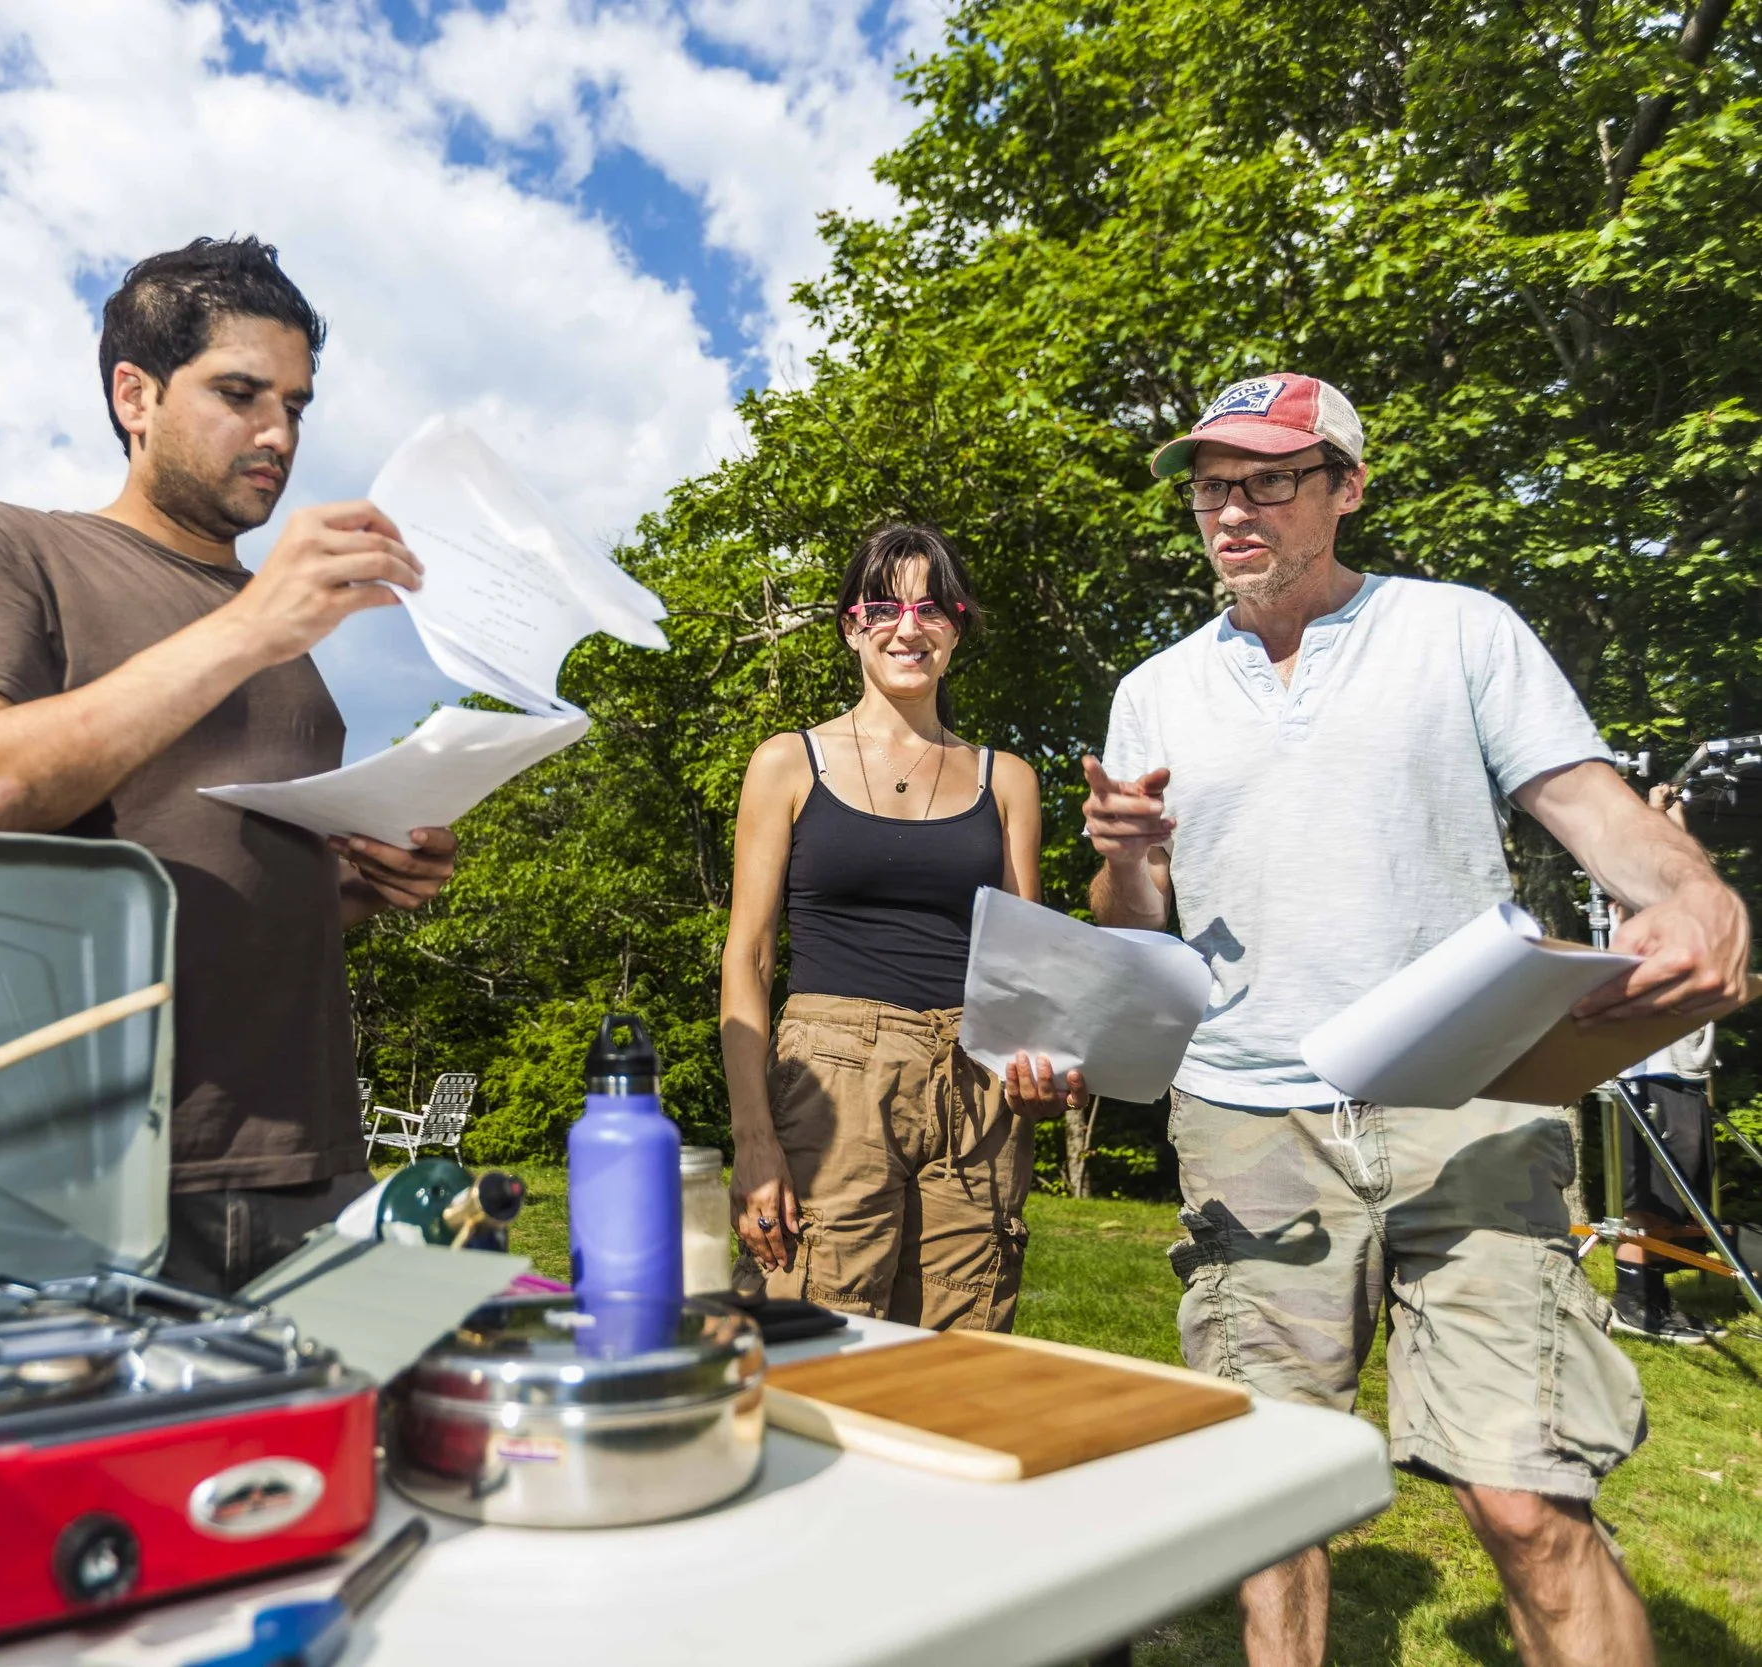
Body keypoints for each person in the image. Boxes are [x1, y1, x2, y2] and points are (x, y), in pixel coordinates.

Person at [1082, 372, 1749, 1667]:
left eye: (1269, 477)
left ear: (1347, 485)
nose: (1231, 508)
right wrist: (1123, 851)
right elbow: (1135, 927)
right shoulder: (1154, 689)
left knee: (1526, 1492)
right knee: (1274, 1503)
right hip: (1249, 1121)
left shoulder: (1458, 633)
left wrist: (1697, 890)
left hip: (1472, 1098)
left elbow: (1600, 811)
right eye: (1213, 483)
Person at [0, 236, 458, 1294]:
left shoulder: (277, 623)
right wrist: (247, 631)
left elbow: (217, 873)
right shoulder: (11, 546)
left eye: (296, 404)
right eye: (240, 392)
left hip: (308, 1160)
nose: (277, 433)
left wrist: (358, 885)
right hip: (91, 1174)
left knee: (322, 1460)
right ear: (133, 394)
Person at [722, 524, 1087, 1330]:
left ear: (958, 627)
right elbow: (747, 958)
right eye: (884, 605)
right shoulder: (787, 762)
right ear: (852, 623)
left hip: (976, 1089)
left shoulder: (1009, 781)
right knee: (811, 1340)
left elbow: (1024, 970)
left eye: (933, 606)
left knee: (961, 1357)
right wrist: (754, 1138)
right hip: (832, 1080)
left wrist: (1042, 1079)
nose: (908, 626)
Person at [1610, 782, 1725, 1345]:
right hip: (1648, 1070)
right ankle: (1635, 1304)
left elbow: (1681, 871)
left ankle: (1654, 1299)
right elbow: (1643, 872)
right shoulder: (1636, 912)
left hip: (1681, 1068)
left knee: (1677, 1198)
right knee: (1648, 1202)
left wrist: (1674, 818)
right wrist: (1652, 815)